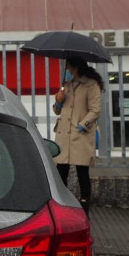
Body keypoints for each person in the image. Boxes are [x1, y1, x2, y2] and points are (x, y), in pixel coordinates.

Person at [52, 56, 104, 215]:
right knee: (61, 174)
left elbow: (95, 110)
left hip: (80, 136)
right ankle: (62, 209)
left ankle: (84, 211)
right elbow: (57, 111)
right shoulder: (66, 85)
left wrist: (81, 126)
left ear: (75, 68)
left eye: (67, 68)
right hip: (63, 136)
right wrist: (58, 101)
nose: (66, 71)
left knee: (82, 174)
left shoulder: (91, 85)